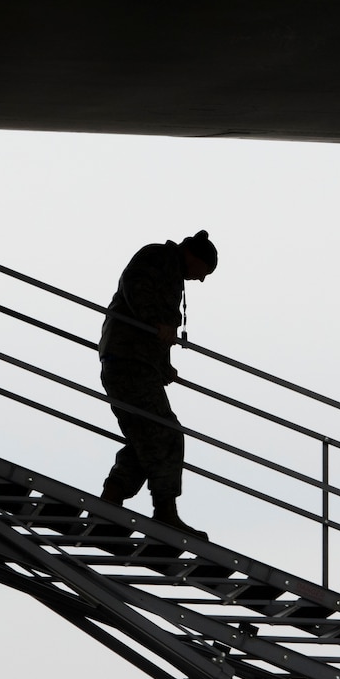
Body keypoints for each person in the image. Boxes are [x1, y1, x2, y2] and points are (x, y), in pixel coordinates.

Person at [97, 230, 218, 537]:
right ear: (194, 257)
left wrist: (163, 366)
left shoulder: (170, 271)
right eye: (205, 271)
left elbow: (158, 324)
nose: (202, 279)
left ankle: (110, 505)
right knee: (166, 434)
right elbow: (136, 290)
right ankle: (165, 513)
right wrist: (156, 325)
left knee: (147, 439)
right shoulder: (157, 257)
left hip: (136, 364)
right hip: (128, 363)